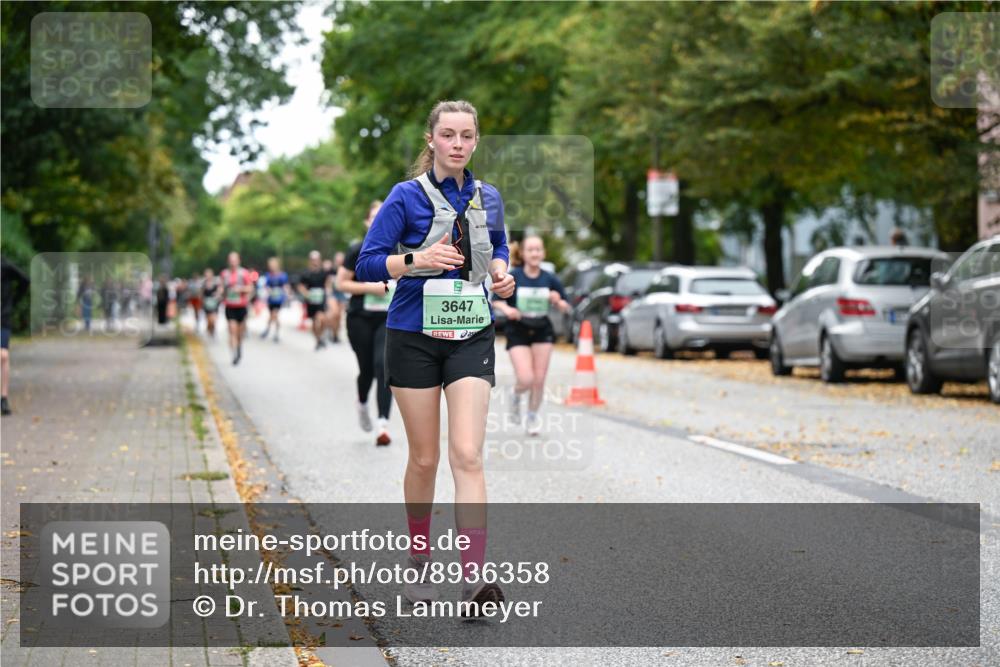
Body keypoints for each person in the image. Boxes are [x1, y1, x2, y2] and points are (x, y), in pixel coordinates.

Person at [355, 100, 514, 612]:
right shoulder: (405, 196)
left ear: (475, 141)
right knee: (424, 458)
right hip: (413, 334)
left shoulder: (490, 197)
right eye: (448, 135)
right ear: (432, 140)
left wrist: (503, 275)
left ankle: (474, 580)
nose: (458, 144)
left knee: (466, 454)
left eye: (467, 135)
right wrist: (416, 260)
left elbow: (500, 248)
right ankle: (419, 561)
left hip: (471, 332)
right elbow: (366, 263)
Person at [490, 235, 571, 435]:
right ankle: (516, 395)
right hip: (518, 329)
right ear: (523, 253)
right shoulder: (514, 275)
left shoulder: (550, 278)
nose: (535, 253)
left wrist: (557, 300)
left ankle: (532, 416)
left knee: (539, 380)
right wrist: (507, 310)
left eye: (538, 250)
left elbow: (566, 307)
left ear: (543, 253)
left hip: (542, 329)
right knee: (526, 378)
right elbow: (495, 299)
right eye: (530, 250)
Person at [337, 199, 395, 446]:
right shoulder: (357, 249)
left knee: (383, 366)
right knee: (367, 371)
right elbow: (341, 283)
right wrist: (369, 288)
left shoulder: (398, 249)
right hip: (360, 317)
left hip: (387, 318)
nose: (378, 220)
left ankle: (383, 425)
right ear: (367, 222)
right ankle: (362, 403)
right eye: (373, 216)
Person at [1, 257, 30, 416]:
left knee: (3, 355)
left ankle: (3, 398)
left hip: (2, 318)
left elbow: (25, 280)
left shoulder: (5, 265)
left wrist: (13, 301)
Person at [220, 252, 253, 365]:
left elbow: (250, 288)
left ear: (239, 261)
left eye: (235, 260)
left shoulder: (244, 273)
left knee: (239, 333)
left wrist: (240, 289)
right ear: (228, 261)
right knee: (232, 330)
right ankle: (234, 354)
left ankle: (239, 348)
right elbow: (221, 288)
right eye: (231, 260)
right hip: (229, 306)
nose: (233, 262)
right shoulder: (224, 274)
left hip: (241, 306)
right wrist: (221, 292)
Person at [298, 251, 331, 351]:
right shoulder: (306, 273)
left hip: (321, 300)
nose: (315, 262)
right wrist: (306, 294)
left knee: (322, 319)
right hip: (311, 301)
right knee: (314, 322)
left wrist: (328, 292)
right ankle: (318, 340)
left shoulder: (323, 272)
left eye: (317, 259)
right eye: (313, 260)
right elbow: (300, 286)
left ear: (319, 260)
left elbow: (328, 283)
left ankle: (320, 337)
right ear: (310, 261)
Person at [260, 257, 289, 343]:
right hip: (271, 299)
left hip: (279, 299)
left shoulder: (282, 275)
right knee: (272, 315)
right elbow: (266, 285)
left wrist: (286, 293)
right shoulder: (268, 275)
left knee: (274, 314)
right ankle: (269, 329)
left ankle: (272, 331)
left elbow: (285, 286)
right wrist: (269, 290)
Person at [326, 255, 347, 343]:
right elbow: (327, 283)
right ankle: (330, 329)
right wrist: (328, 293)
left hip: (342, 294)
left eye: (341, 260)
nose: (339, 262)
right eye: (338, 260)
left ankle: (335, 335)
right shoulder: (331, 271)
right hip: (333, 294)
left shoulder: (346, 270)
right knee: (334, 312)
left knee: (339, 316)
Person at [201, 268, 222, 338]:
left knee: (214, 319)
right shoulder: (204, 284)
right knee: (209, 320)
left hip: (214, 303)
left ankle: (213, 330)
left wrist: (217, 295)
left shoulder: (216, 283)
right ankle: (210, 329)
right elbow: (201, 294)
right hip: (206, 304)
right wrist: (202, 300)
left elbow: (220, 291)